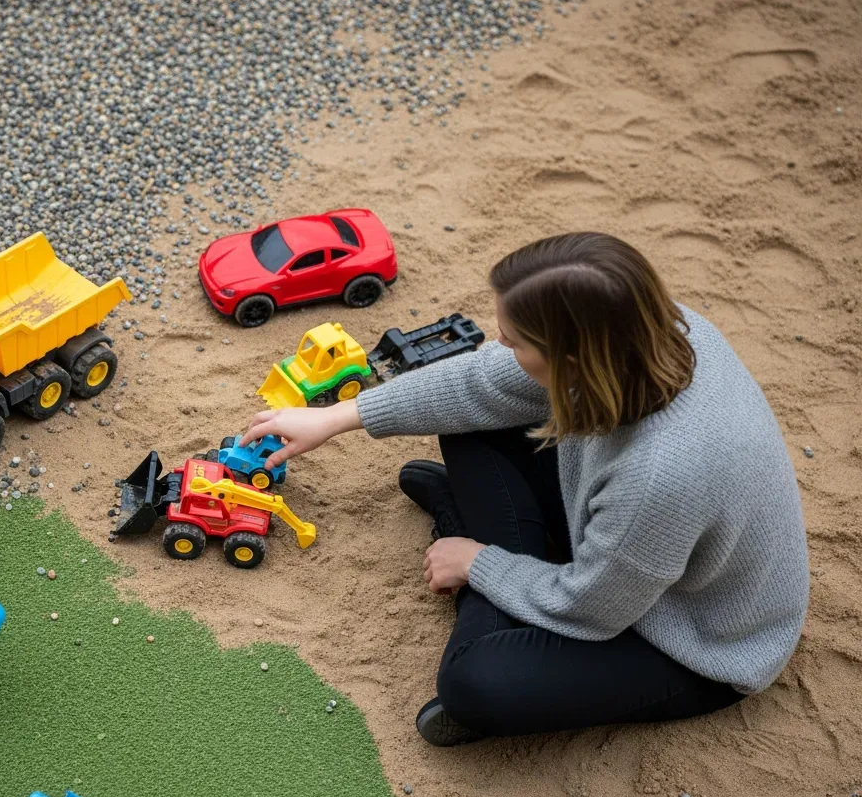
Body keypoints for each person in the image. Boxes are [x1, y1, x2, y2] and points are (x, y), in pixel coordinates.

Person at [241, 232, 810, 746]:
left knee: (475, 682)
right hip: (626, 547)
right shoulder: (655, 331)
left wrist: (478, 562)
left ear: (572, 357)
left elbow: (591, 608)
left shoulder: (663, 473)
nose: (499, 343)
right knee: (466, 416)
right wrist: (341, 416)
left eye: (515, 340)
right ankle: (488, 545)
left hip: (692, 637)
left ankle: (468, 538)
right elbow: (479, 381)